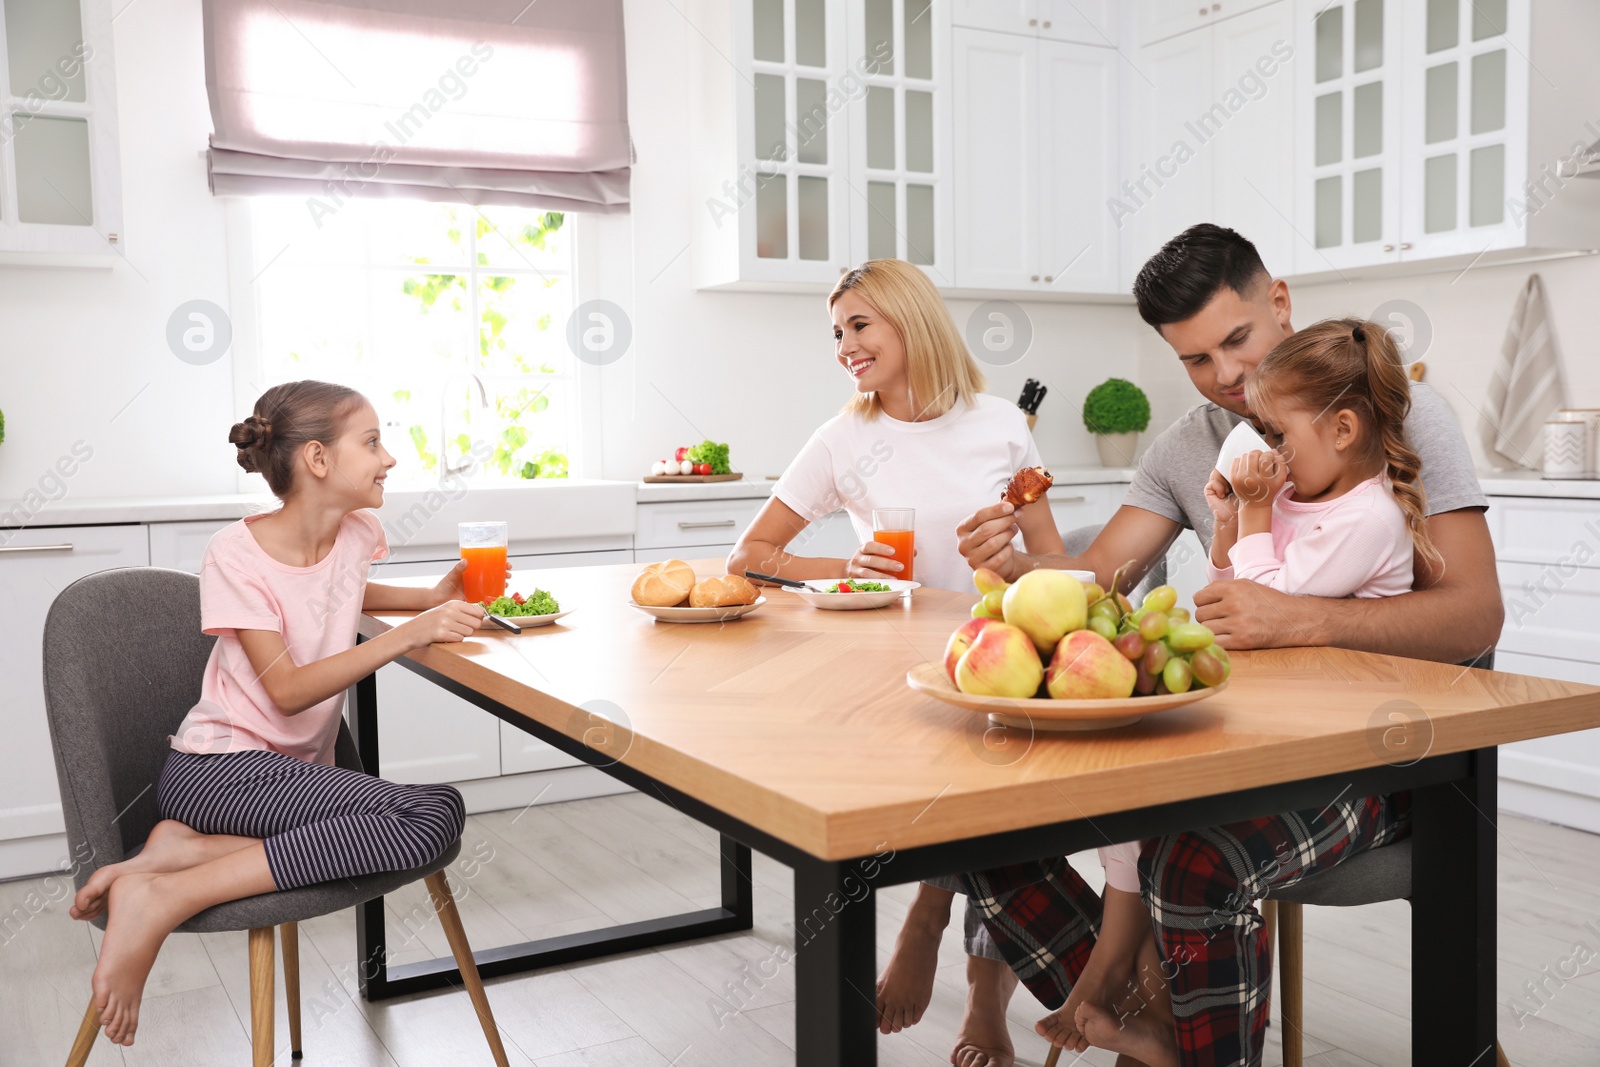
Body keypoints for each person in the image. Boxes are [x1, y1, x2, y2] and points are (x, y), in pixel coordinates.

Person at [952, 224, 1501, 1067]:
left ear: (1278, 301)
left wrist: (1306, 619)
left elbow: (1475, 616)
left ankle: (1170, 1032)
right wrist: (1019, 563)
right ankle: (1165, 1030)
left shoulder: (1390, 410)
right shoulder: (1184, 447)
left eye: (1237, 340)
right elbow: (1101, 577)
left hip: (1389, 758)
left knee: (1195, 860)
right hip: (1243, 751)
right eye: (1196, 360)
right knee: (988, 837)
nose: (1228, 379)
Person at [1038, 317, 1448, 1065]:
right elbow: (1230, 604)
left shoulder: (1369, 518)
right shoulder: (1297, 498)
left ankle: (1177, 1036)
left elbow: (1269, 615)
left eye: (1277, 434)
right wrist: (1229, 529)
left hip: (1358, 756)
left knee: (1189, 855)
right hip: (1283, 735)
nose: (1267, 453)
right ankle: (1155, 1016)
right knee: (1128, 802)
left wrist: (1253, 517)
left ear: (1346, 428)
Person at [69, 381, 492, 1047]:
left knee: (437, 813)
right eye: (374, 441)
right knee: (429, 815)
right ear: (319, 460)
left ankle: (180, 852)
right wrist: (407, 634)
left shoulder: (356, 534)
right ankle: (167, 893)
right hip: (218, 772)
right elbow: (287, 689)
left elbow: (338, 590)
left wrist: (424, 598)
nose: (390, 459)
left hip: (287, 782)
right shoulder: (234, 553)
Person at [728, 258, 1065, 1067]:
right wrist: (848, 568)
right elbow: (751, 556)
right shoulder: (845, 437)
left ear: (911, 320)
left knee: (1000, 787)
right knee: (984, 793)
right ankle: (953, 945)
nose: (845, 345)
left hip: (1001, 654)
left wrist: (1017, 559)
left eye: (860, 325)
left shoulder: (1002, 425)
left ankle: (936, 924)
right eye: (837, 332)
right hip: (899, 662)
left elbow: (1056, 561)